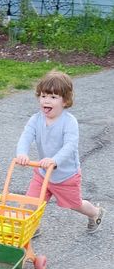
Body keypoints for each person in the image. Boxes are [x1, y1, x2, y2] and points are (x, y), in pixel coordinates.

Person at [15, 70, 104, 234]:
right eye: (43, 96)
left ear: (65, 101)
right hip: (43, 174)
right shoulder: (36, 119)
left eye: (53, 97)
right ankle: (32, 227)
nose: (46, 101)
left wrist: (54, 160)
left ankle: (95, 213)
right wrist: (22, 153)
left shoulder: (69, 122)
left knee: (75, 204)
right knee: (30, 203)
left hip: (65, 176)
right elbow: (26, 136)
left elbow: (70, 146)